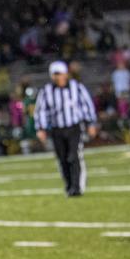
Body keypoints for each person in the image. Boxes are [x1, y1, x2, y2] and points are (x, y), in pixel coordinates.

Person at [34, 61, 98, 197]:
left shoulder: (77, 87)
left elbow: (87, 105)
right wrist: (41, 128)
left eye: (60, 74)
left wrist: (91, 123)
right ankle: (69, 186)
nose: (58, 77)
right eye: (55, 74)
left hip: (74, 127)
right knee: (62, 158)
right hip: (56, 129)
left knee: (73, 156)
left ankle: (77, 187)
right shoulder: (46, 91)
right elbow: (41, 110)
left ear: (66, 74)